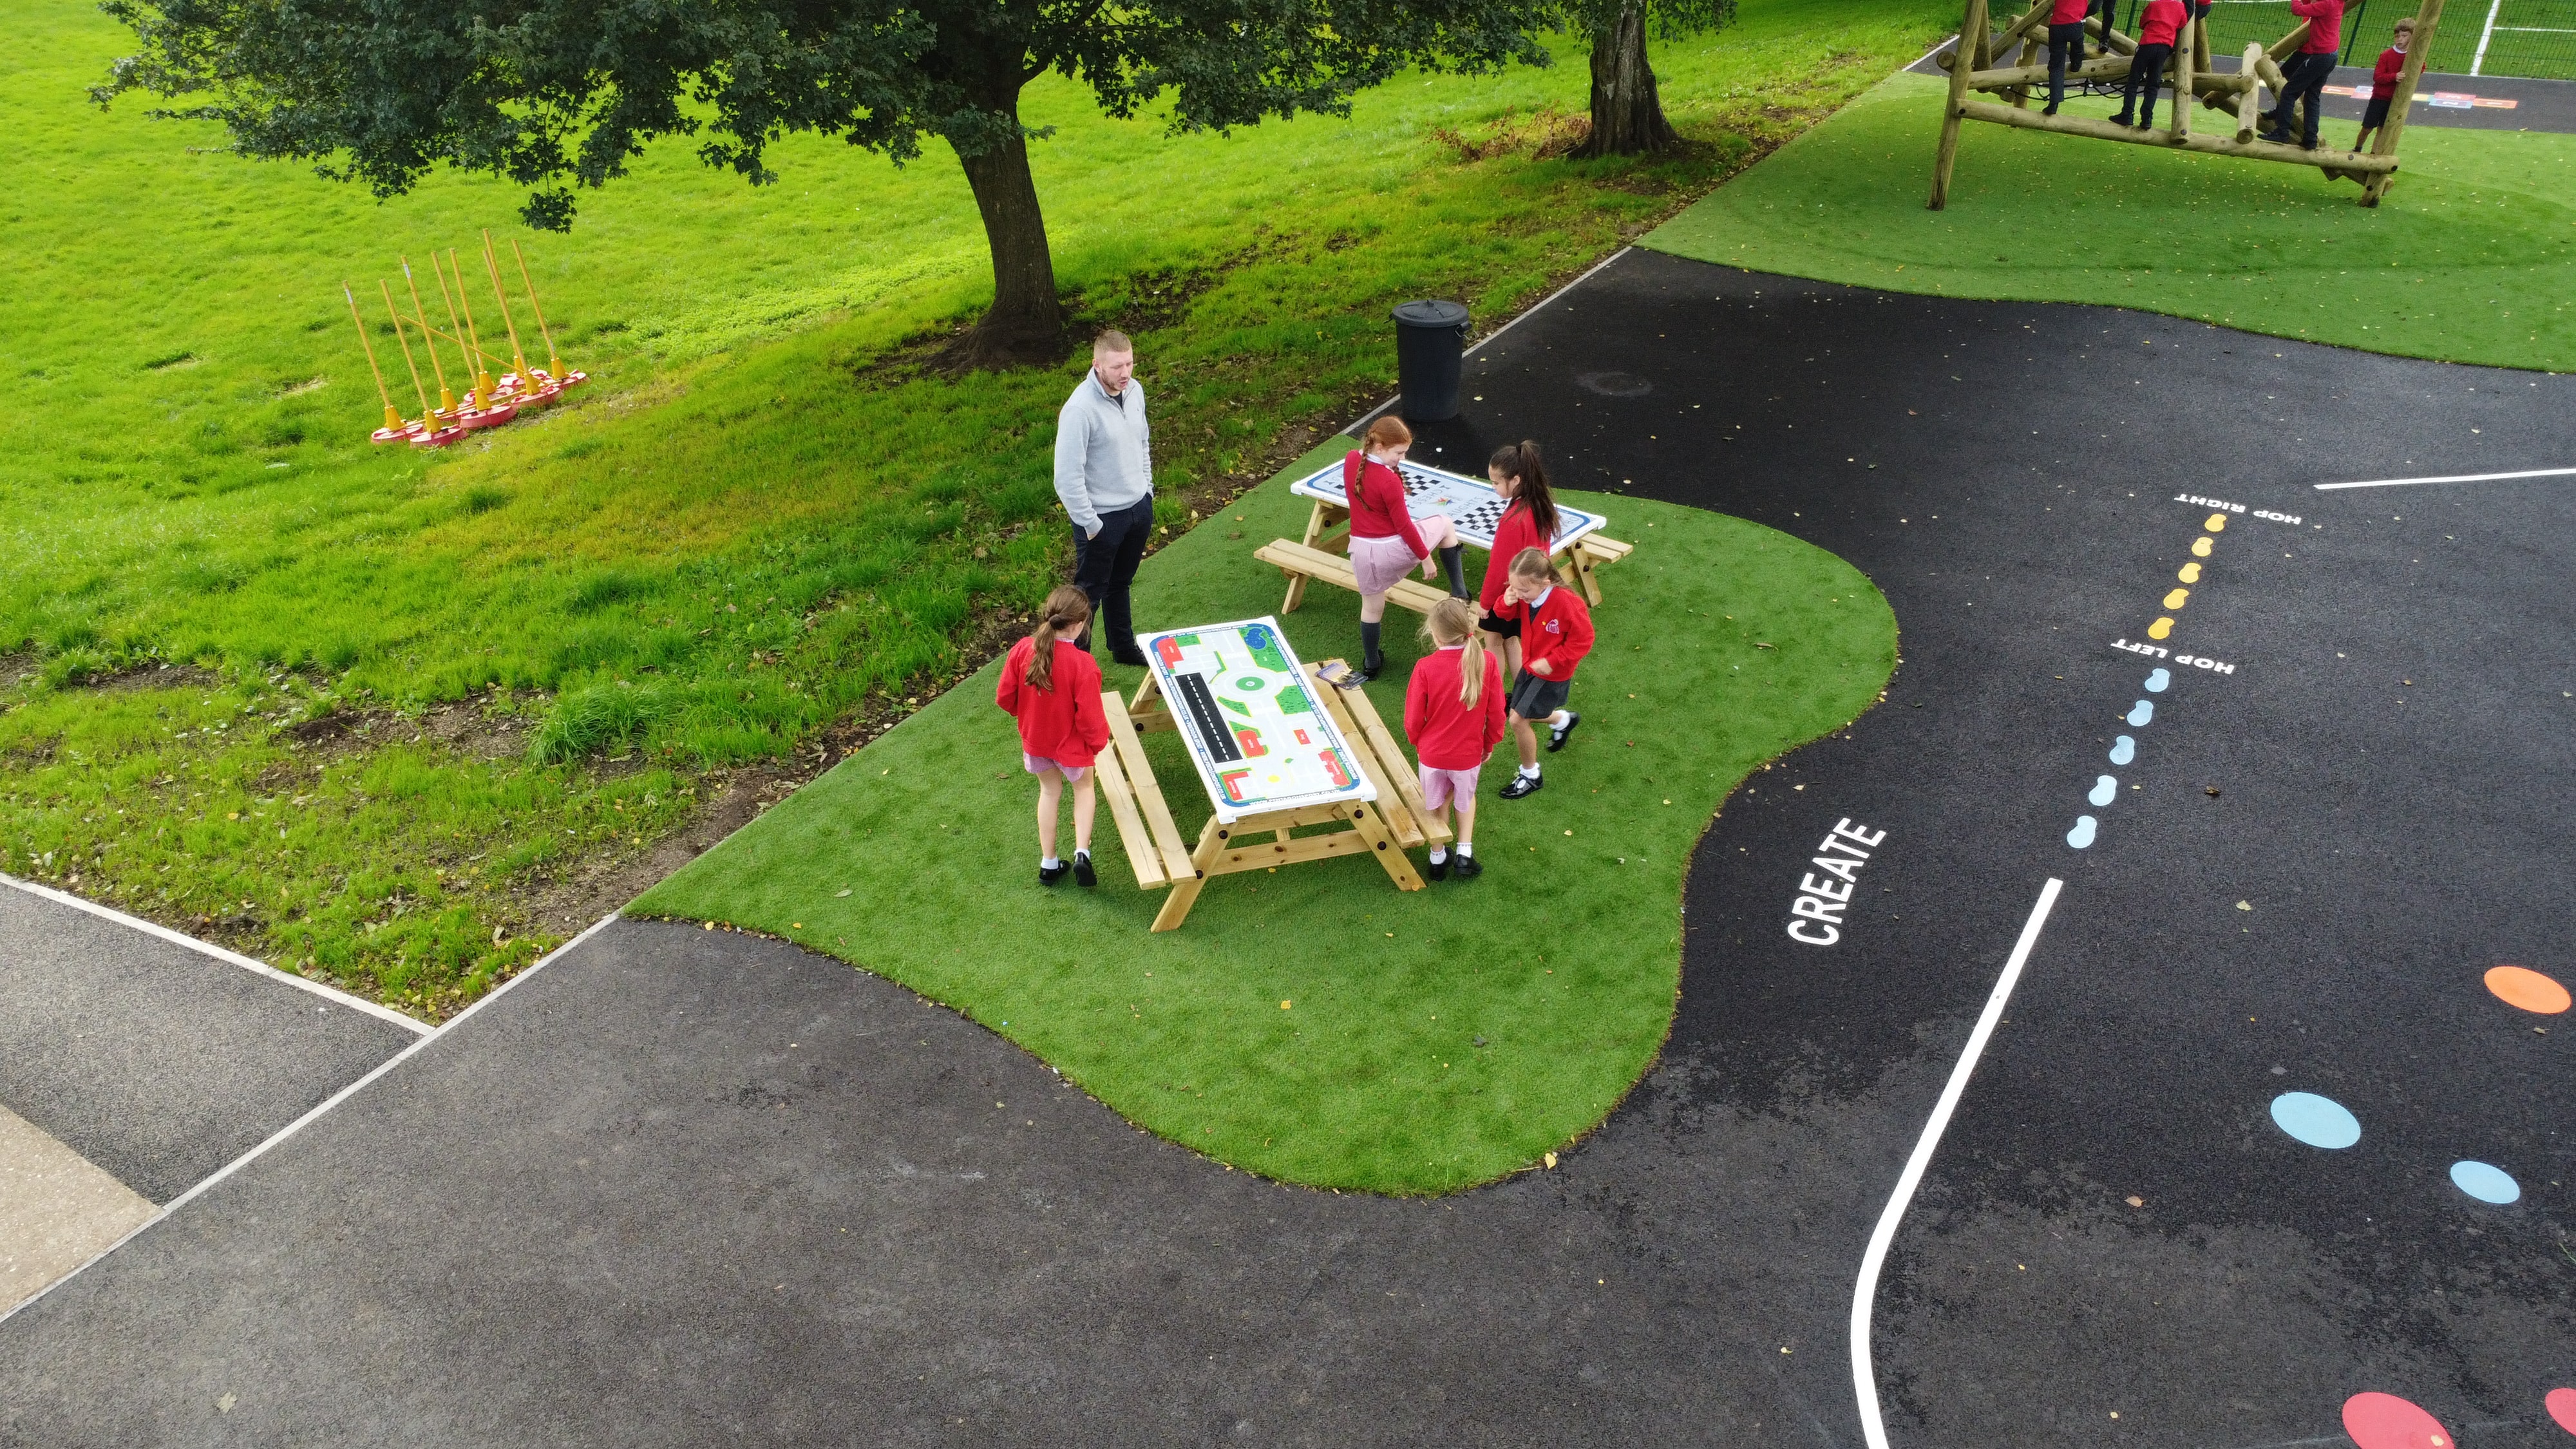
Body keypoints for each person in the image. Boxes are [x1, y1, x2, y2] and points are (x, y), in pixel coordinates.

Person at [996, 585, 1111, 887]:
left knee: (1049, 793)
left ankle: (1048, 863)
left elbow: (1005, 697)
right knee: (1084, 790)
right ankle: (1082, 853)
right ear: (1079, 624)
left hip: (1037, 743)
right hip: (1072, 748)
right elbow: (1089, 718)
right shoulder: (1083, 665)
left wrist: (1028, 716)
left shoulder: (1022, 649)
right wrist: (1098, 743)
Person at [1342, 416, 1466, 683]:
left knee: (1372, 607)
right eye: (1399, 453)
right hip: (1389, 551)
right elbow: (1405, 527)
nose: (1403, 458)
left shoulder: (1352, 459)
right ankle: (1459, 592)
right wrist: (1426, 559)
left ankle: (1371, 664)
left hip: (1361, 552)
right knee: (1444, 523)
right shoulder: (1390, 482)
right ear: (1379, 448)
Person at [1054, 330, 1153, 667]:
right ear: (1097, 365)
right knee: (1088, 597)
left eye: (1129, 364)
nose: (1125, 373)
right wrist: (1092, 525)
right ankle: (1077, 667)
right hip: (1102, 520)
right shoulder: (1079, 409)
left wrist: (1147, 492)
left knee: (1121, 583)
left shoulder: (1135, 390)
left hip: (1138, 509)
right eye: (1116, 367)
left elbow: (1142, 443)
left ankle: (1123, 648)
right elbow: (1066, 478)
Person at [1404, 598, 1506, 882]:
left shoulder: (1425, 667)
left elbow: (1413, 718)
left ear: (1435, 636)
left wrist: (1418, 742)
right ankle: (1464, 852)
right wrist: (1490, 742)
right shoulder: (1487, 661)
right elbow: (1497, 712)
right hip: (1468, 753)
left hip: (1432, 754)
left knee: (1436, 802)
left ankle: (1437, 857)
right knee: (1465, 798)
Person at [1491, 547, 1592, 800]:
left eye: (1524, 591)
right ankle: (1563, 721)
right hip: (1531, 665)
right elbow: (1502, 614)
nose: (1520, 594)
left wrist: (1553, 660)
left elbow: (1584, 639)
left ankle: (1531, 775)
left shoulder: (1567, 603)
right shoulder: (1526, 596)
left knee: (1517, 719)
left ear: (1545, 582)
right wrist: (1506, 601)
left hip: (1551, 672)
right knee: (1523, 712)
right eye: (1514, 588)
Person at [1477, 439, 1562, 686]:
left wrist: (1486, 602)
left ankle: (1495, 695)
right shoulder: (1540, 506)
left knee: (1493, 641)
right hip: (1528, 591)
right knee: (1511, 640)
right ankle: (1521, 693)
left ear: (1515, 480)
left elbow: (1498, 566)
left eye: (1495, 483)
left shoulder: (1512, 520)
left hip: (1508, 595)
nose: (1493, 488)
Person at [2264, 0, 2345, 149]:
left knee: (2289, 92)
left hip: (2319, 56)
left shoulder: (2326, 4)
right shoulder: (2336, 3)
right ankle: (2310, 139)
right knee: (2312, 97)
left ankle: (2282, 132)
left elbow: (2297, 9)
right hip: (2330, 55)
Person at [2112, 0, 2184, 129]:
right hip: (2164, 47)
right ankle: (2147, 118)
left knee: (2133, 81)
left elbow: (2142, 23)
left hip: (2148, 43)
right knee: (2153, 84)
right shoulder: (2180, 6)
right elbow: (2182, 23)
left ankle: (2127, 114)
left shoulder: (2154, 5)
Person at [2355, 17, 2415, 151]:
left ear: (2412, 37)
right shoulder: (2386, 55)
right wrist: (2394, 77)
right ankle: (2358, 148)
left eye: (2404, 36)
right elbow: (2378, 76)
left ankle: (2373, 154)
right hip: (2379, 98)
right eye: (2397, 36)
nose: (2400, 39)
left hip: (2394, 100)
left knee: (2382, 129)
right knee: (2367, 128)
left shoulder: (2411, 56)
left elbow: (2420, 67)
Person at [2043, 0, 2092, 116]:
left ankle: (2054, 104)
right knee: (2078, 45)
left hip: (2057, 25)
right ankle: (2076, 64)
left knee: (2056, 67)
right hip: (2076, 23)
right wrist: (2081, 14)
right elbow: (2095, 6)